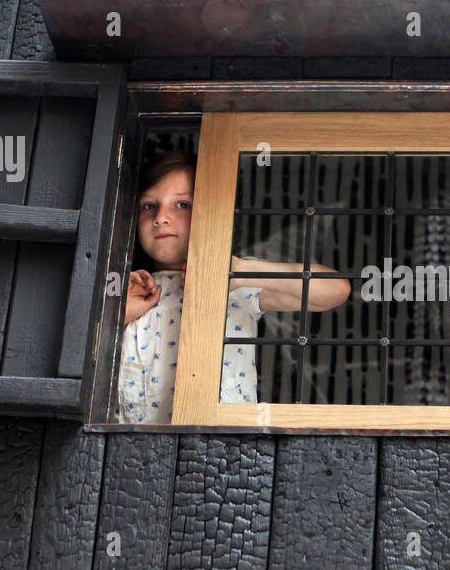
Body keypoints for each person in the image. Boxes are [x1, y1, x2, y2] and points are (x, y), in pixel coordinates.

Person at [115, 151, 350, 423]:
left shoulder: (236, 280)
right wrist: (120, 316)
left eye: (182, 205)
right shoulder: (126, 288)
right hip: (129, 449)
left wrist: (240, 271)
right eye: (149, 206)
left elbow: (335, 291)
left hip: (218, 448)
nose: (161, 217)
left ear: (212, 212)